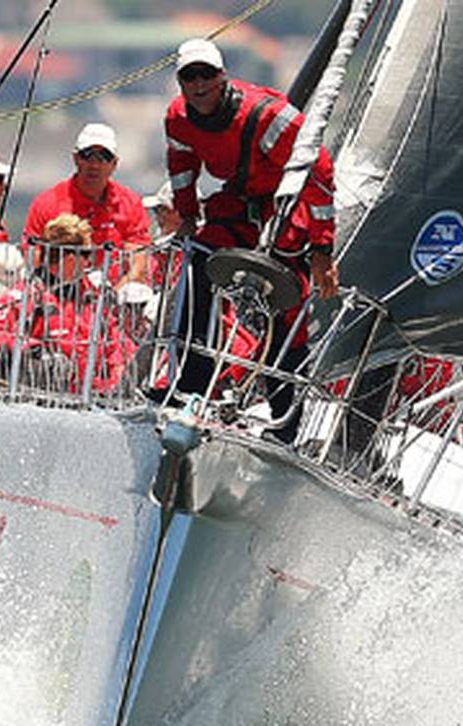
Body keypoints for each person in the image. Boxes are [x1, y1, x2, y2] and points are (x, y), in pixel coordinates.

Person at [163, 37, 338, 440]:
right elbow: (182, 164)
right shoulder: (178, 118)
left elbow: (319, 179)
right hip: (238, 206)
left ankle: (286, 425)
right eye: (190, 76)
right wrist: (188, 214)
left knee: (287, 308)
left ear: (222, 77)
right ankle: (190, 385)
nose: (199, 83)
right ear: (180, 83)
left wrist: (321, 250)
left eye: (207, 74)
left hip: (285, 210)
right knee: (201, 259)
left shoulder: (271, 118)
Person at [23, 123, 151, 286]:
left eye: (104, 157)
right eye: (87, 155)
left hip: (114, 301)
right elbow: (34, 261)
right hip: (59, 300)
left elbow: (138, 266)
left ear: (114, 164)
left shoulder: (130, 204)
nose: (94, 165)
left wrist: (110, 301)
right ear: (76, 158)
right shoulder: (46, 203)